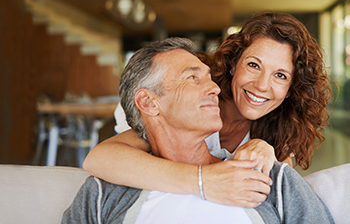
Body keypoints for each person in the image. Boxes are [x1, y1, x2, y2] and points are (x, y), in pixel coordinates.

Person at [62, 38, 334, 224]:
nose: (215, 88)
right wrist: (203, 182)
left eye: (281, 76)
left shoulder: (270, 177)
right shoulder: (105, 191)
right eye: (193, 78)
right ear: (148, 102)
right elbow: (99, 157)